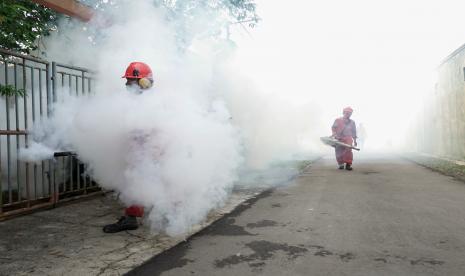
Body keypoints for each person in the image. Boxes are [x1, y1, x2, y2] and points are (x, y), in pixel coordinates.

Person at [103, 62, 154, 233]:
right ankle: (166, 211)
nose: (127, 85)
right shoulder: (142, 100)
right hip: (144, 147)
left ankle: (131, 218)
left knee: (134, 179)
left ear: (143, 82)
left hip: (145, 148)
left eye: (131, 81)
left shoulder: (148, 101)